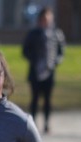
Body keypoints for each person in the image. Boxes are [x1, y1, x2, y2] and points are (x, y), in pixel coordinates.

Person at [22, 6, 65, 134]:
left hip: (49, 71)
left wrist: (55, 62)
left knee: (47, 99)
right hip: (35, 71)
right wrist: (35, 61)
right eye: (44, 19)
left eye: (49, 19)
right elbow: (25, 51)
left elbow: (61, 52)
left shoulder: (57, 33)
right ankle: (33, 123)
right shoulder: (33, 33)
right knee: (34, 98)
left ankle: (46, 124)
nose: (46, 21)